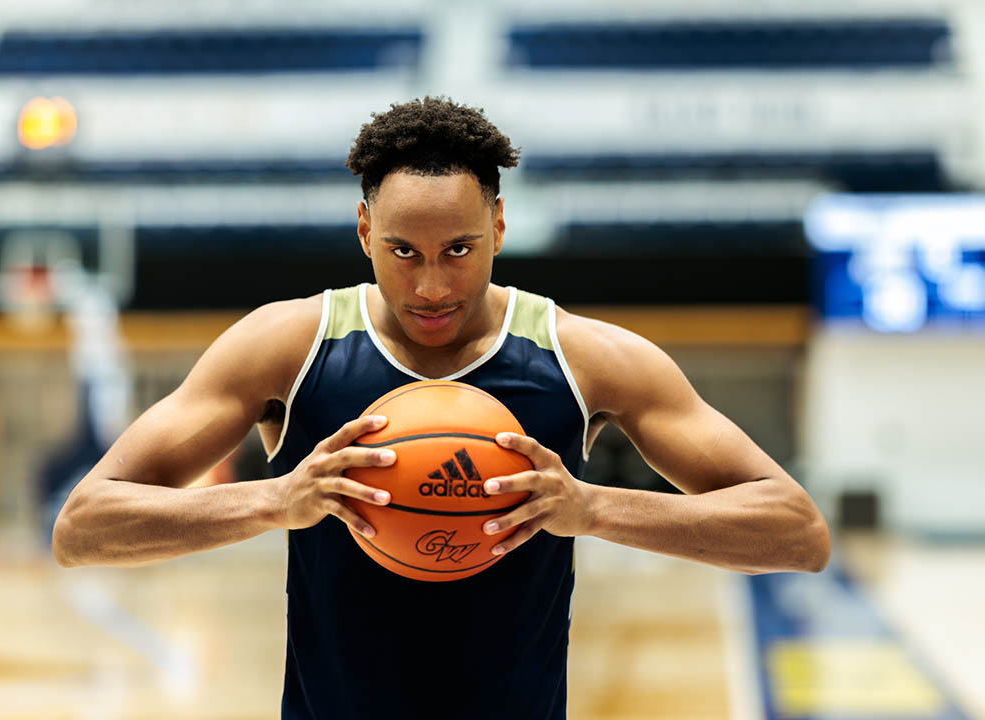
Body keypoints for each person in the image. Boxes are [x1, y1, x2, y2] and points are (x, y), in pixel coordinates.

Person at [53, 97, 830, 719]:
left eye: (458, 249)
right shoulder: (286, 347)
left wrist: (591, 509)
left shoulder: (583, 358)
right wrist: (275, 500)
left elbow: (796, 531)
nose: (431, 287)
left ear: (498, 226)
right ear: (364, 231)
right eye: (403, 252)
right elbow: (83, 527)